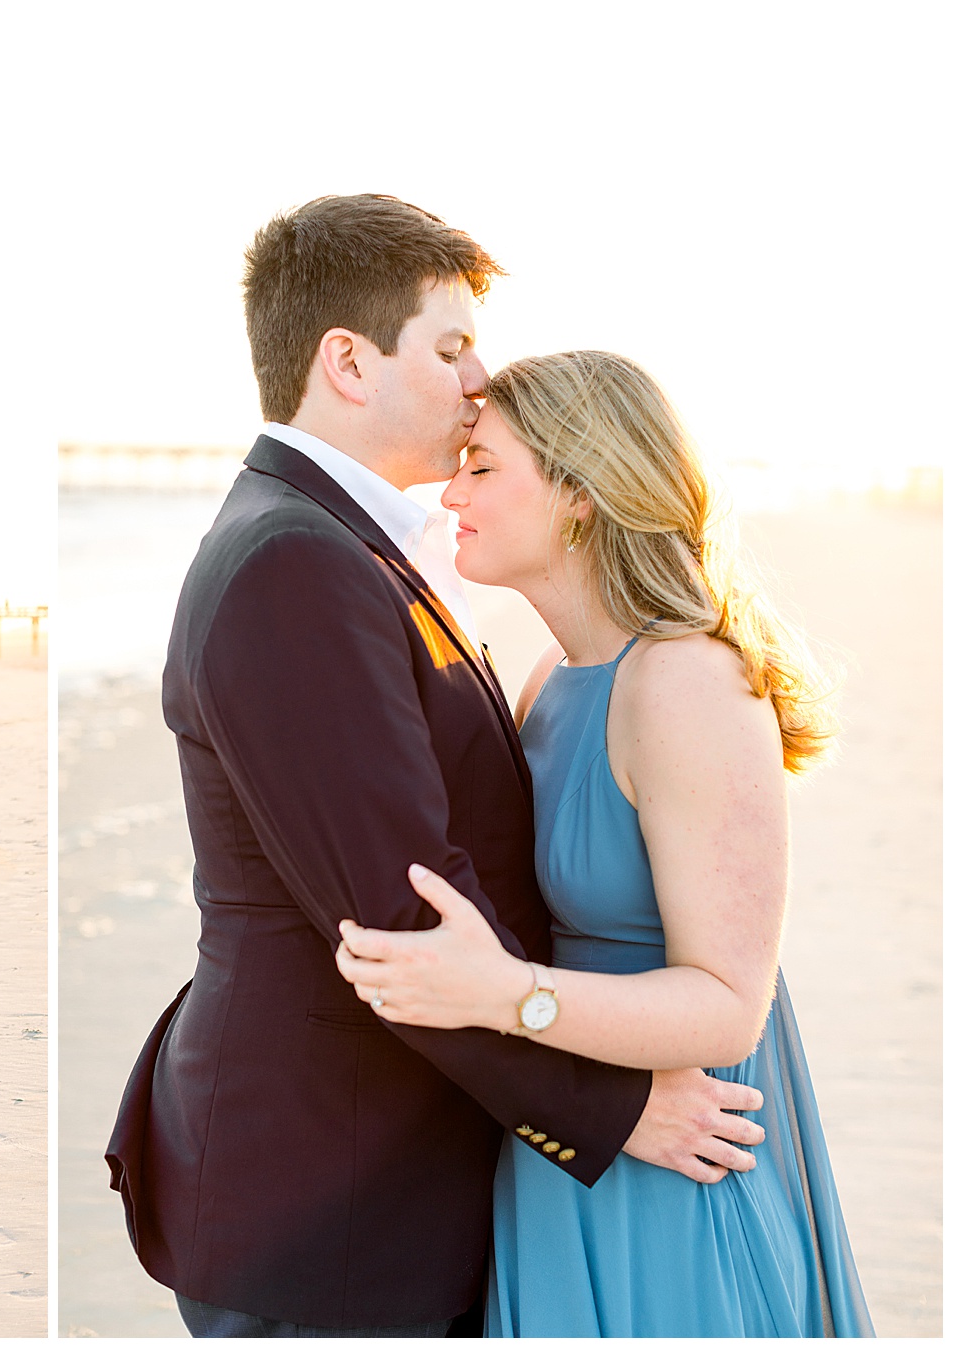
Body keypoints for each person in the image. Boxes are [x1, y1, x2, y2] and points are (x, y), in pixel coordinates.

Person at [105, 195, 766, 1337]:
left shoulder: (341, 545)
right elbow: (399, 923)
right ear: (348, 363)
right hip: (331, 1202)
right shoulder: (295, 565)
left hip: (385, 1169)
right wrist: (608, 1111)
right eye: (452, 345)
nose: (477, 379)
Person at [332, 350, 873, 1336]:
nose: (451, 490)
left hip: (680, 1161)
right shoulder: (549, 679)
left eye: (483, 467)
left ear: (580, 496)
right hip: (576, 1145)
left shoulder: (688, 684)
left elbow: (725, 1010)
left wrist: (500, 994)